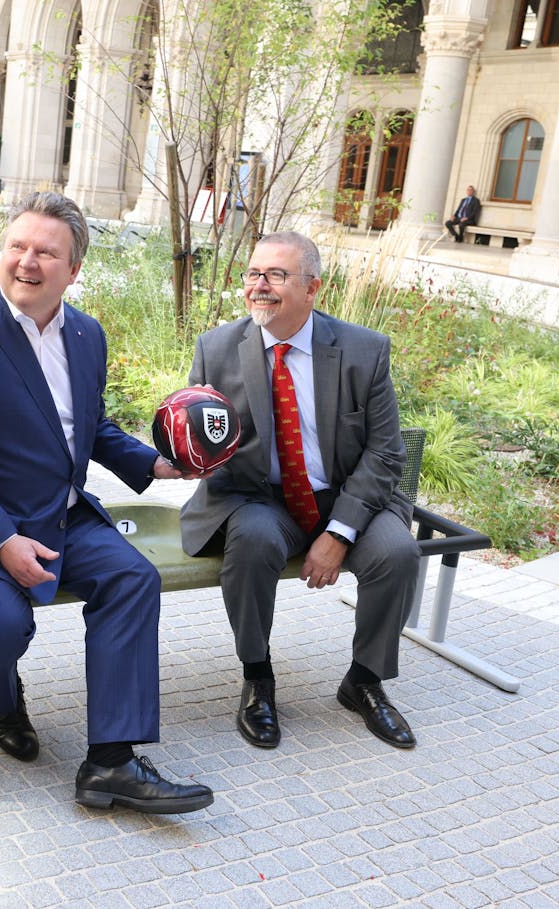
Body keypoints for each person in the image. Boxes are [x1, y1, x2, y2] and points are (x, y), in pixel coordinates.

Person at [0, 192, 214, 815]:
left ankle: (111, 763)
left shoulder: (86, 334)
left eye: (47, 252)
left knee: (132, 579)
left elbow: (87, 426)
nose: (27, 261)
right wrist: (4, 542)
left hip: (60, 512)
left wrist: (152, 463)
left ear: (73, 271)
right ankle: (3, 702)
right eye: (17, 246)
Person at [180, 231, 421, 751]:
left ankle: (363, 681)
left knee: (398, 553)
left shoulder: (364, 351)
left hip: (345, 494)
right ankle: (257, 678)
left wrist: (338, 532)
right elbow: (201, 433)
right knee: (252, 543)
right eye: (252, 274)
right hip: (263, 498)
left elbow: (385, 454)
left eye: (275, 275)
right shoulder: (218, 348)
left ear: (313, 288)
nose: (258, 286)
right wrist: (188, 450)